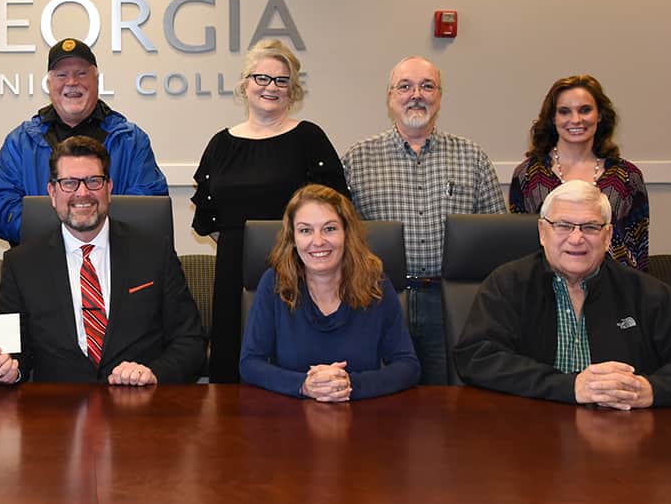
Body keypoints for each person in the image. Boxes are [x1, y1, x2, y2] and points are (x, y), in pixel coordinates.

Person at [0, 136, 205, 385]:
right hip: (58, 413)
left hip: (138, 409)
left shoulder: (154, 252)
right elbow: (14, 355)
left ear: (109, 188)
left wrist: (154, 374)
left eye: (93, 181)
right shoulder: (21, 264)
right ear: (52, 193)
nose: (82, 193)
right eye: (69, 183)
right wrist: (7, 370)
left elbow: (191, 343)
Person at [341, 56, 505, 385]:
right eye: (405, 87)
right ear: (390, 98)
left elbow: (494, 242)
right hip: (378, 300)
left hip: (451, 301)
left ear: (439, 97)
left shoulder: (471, 157)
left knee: (451, 398)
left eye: (427, 86)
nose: (416, 94)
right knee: (383, 398)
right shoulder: (357, 160)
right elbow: (342, 239)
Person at [192, 39, 349, 383]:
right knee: (233, 370)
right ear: (245, 84)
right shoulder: (221, 143)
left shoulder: (310, 139)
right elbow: (209, 215)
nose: (270, 88)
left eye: (281, 81)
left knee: (292, 367)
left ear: (292, 91)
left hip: (299, 272)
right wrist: (241, 245)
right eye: (261, 78)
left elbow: (336, 209)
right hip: (233, 271)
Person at [455, 180, 671, 408]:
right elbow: (477, 357)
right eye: (563, 225)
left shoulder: (648, 294)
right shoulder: (507, 284)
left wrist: (652, 390)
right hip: (529, 425)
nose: (576, 238)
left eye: (591, 227)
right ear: (543, 232)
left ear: (608, 236)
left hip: (622, 431)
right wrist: (570, 386)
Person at [240, 185, 419, 400]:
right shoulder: (275, 284)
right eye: (305, 230)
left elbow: (407, 366)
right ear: (293, 239)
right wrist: (304, 385)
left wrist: (350, 385)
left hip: (363, 418)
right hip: (289, 420)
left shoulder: (375, 284)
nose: (318, 241)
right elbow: (250, 364)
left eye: (329, 228)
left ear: (347, 233)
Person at [0, 38, 167, 244]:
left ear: (97, 81)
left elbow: (148, 206)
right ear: (49, 84)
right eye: (62, 75)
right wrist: (64, 231)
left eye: (81, 74)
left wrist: (90, 231)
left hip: (116, 264)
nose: (72, 82)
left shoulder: (131, 140)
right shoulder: (20, 143)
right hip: (40, 263)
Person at [509, 75, 648, 271]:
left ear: (599, 115)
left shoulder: (627, 176)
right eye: (564, 111)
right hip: (545, 292)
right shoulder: (528, 176)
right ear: (553, 118)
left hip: (617, 292)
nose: (575, 119)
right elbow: (520, 251)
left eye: (585, 110)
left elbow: (639, 252)